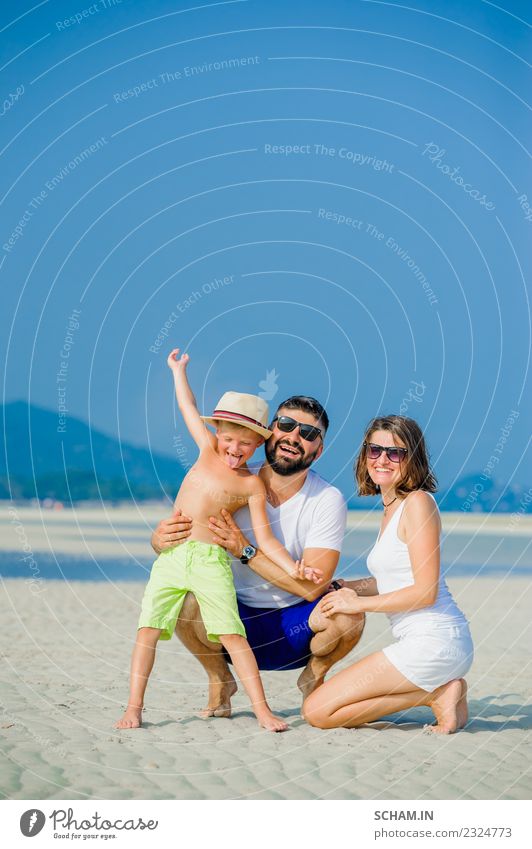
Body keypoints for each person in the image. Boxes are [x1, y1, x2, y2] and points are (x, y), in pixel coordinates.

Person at [116, 348, 321, 733]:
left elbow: (265, 538)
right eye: (228, 439)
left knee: (231, 633)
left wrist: (293, 566)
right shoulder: (206, 449)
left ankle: (262, 710)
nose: (234, 449)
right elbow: (187, 407)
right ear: (217, 434)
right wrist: (178, 371)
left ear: (258, 444)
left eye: (245, 444)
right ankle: (134, 707)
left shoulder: (250, 484)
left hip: (211, 560)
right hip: (173, 557)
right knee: (147, 630)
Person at [151, 397, 365, 718]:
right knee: (184, 594)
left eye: (308, 433)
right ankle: (219, 678)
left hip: (298, 629)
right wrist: (159, 541)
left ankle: (313, 677)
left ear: (318, 451)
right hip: (229, 622)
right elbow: (185, 544)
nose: (294, 437)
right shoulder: (232, 481)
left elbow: (311, 590)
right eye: (287, 425)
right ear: (268, 433)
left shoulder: (327, 500)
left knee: (349, 614)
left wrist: (245, 551)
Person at [303, 415, 474, 734]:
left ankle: (436, 694)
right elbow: (395, 580)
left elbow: (425, 592)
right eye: (374, 450)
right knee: (322, 708)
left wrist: (356, 605)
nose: (382, 459)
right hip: (428, 644)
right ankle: (438, 693)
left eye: (395, 453)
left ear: (414, 459)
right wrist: (340, 587)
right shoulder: (391, 508)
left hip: (435, 642)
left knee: (317, 712)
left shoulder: (418, 503)